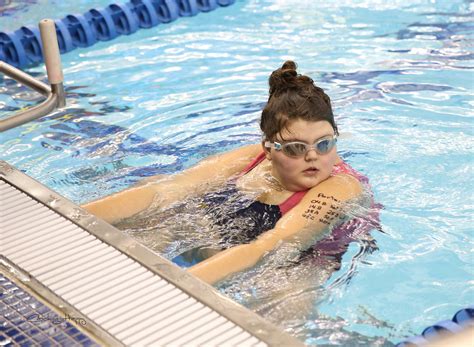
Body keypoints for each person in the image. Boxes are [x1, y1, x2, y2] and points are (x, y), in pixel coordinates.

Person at [83, 61, 377, 286]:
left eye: (324, 144)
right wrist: (77, 216)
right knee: (164, 221)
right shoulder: (251, 158)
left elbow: (271, 246)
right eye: (296, 148)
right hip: (232, 241)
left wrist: (177, 287)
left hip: (297, 261)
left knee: (283, 295)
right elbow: (167, 189)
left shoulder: (340, 188)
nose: (313, 156)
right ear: (269, 148)